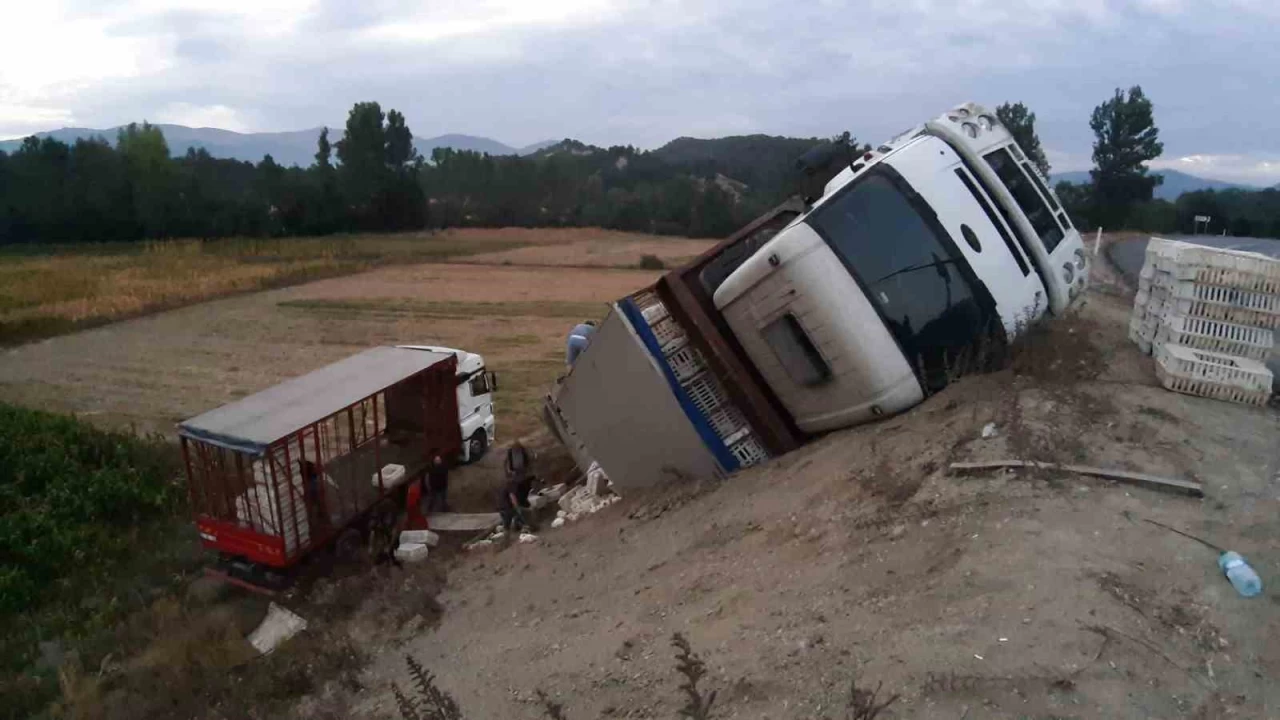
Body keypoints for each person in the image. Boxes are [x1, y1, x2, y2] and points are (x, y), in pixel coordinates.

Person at [498, 440, 537, 531]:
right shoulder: (512, 485)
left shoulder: (510, 485)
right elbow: (513, 497)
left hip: (503, 508)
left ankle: (517, 527)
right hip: (508, 508)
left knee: (508, 525)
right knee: (520, 513)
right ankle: (525, 525)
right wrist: (518, 507)